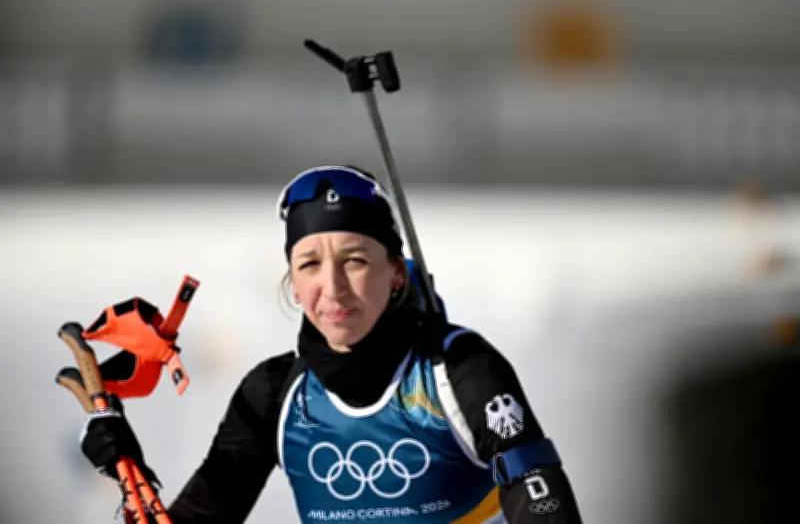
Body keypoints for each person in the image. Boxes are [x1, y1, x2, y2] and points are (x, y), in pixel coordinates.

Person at [81, 165, 584, 523]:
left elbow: (541, 499)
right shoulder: (274, 394)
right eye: (310, 265)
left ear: (394, 274)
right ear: (292, 285)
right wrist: (129, 483)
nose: (334, 288)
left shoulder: (459, 370)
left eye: (356, 261)